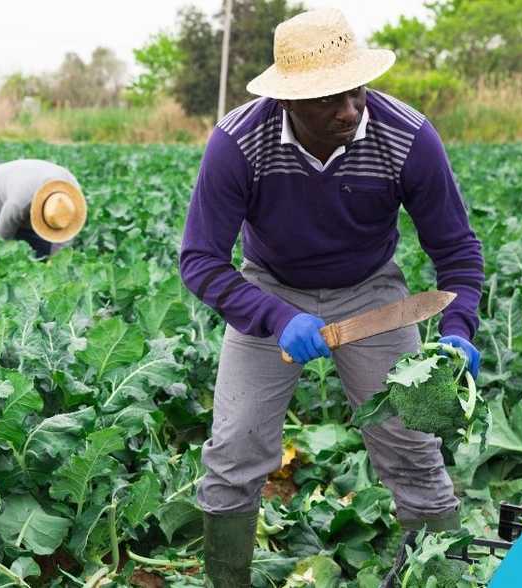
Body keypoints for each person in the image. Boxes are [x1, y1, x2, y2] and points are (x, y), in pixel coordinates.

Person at [178, 8, 484, 586]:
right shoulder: (239, 142)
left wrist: (460, 328)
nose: (349, 111)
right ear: (289, 100)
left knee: (412, 448)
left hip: (372, 293)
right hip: (271, 287)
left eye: (355, 92)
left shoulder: (407, 137)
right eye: (327, 100)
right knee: (235, 451)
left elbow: (458, 250)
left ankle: (433, 575)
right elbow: (200, 260)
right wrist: (271, 314)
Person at [0, 159, 87, 258]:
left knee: (41, 256)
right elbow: (0, 240)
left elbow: (61, 245)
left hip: (23, 187)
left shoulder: (71, 200)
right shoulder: (19, 203)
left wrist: (55, 262)